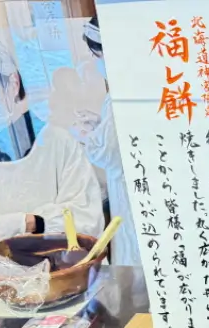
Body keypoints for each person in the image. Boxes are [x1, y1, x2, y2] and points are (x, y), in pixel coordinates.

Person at [0, 32, 104, 256]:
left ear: (13, 84)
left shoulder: (58, 143)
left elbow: (87, 220)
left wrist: (28, 223)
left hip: (59, 276)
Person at [72, 18, 140, 266]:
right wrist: (99, 125)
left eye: (96, 55)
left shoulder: (121, 94)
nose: (95, 62)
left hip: (131, 191)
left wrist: (86, 136)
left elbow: (108, 154)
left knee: (136, 252)